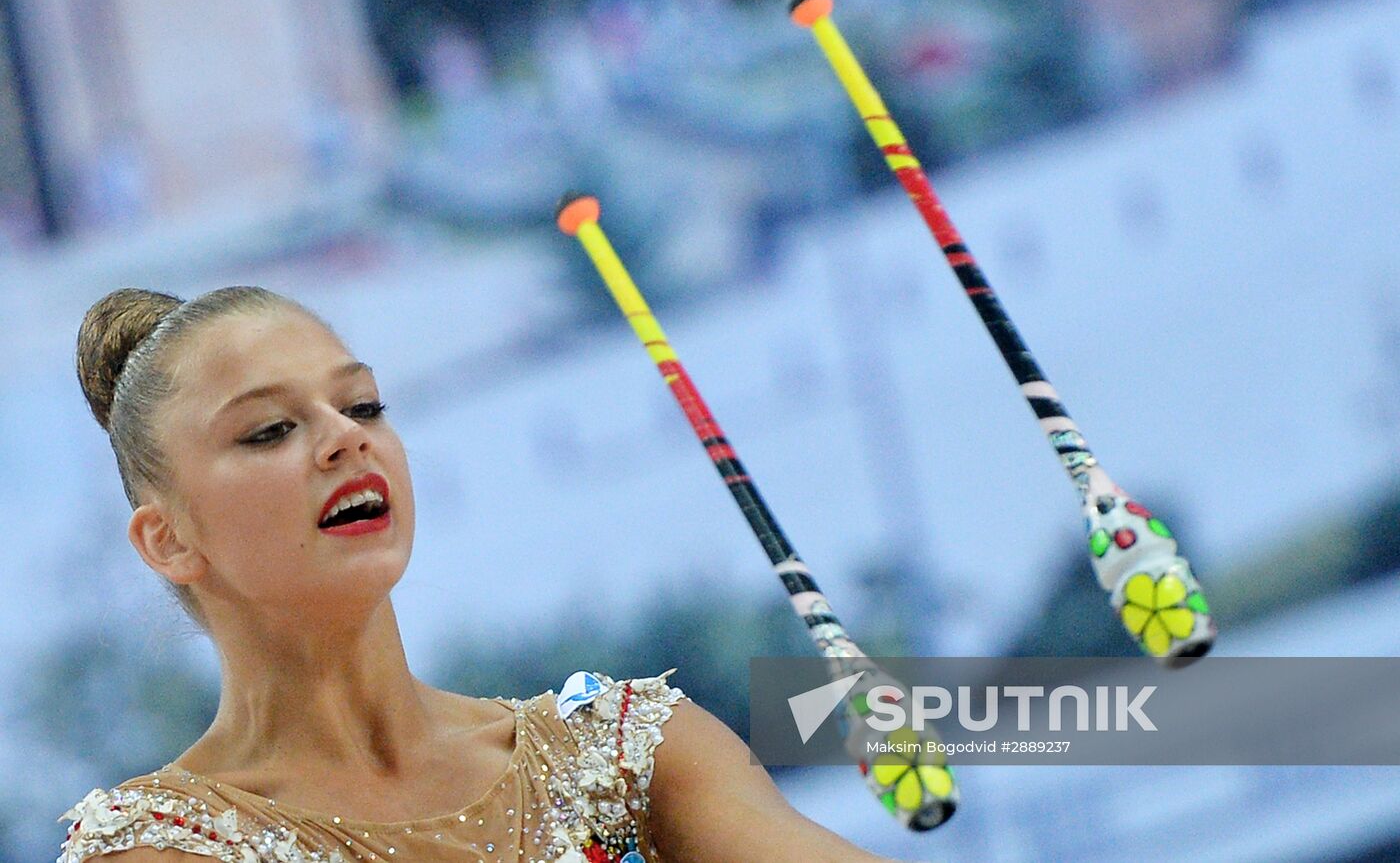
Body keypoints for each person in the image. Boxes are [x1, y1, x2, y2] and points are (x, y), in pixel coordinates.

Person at [58, 286, 899, 862]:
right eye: (271, 428)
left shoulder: (627, 754)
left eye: (362, 406)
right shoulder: (166, 845)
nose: (348, 438)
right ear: (168, 540)